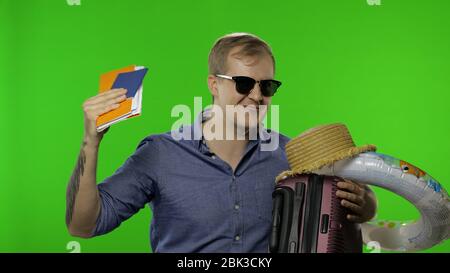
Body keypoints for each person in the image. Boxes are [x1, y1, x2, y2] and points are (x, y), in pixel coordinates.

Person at [65, 32, 377, 252]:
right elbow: (84, 226)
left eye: (267, 85)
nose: (256, 96)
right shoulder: (161, 154)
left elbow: (348, 213)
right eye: (243, 83)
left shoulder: (291, 156)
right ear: (214, 85)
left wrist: (365, 205)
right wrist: (90, 143)